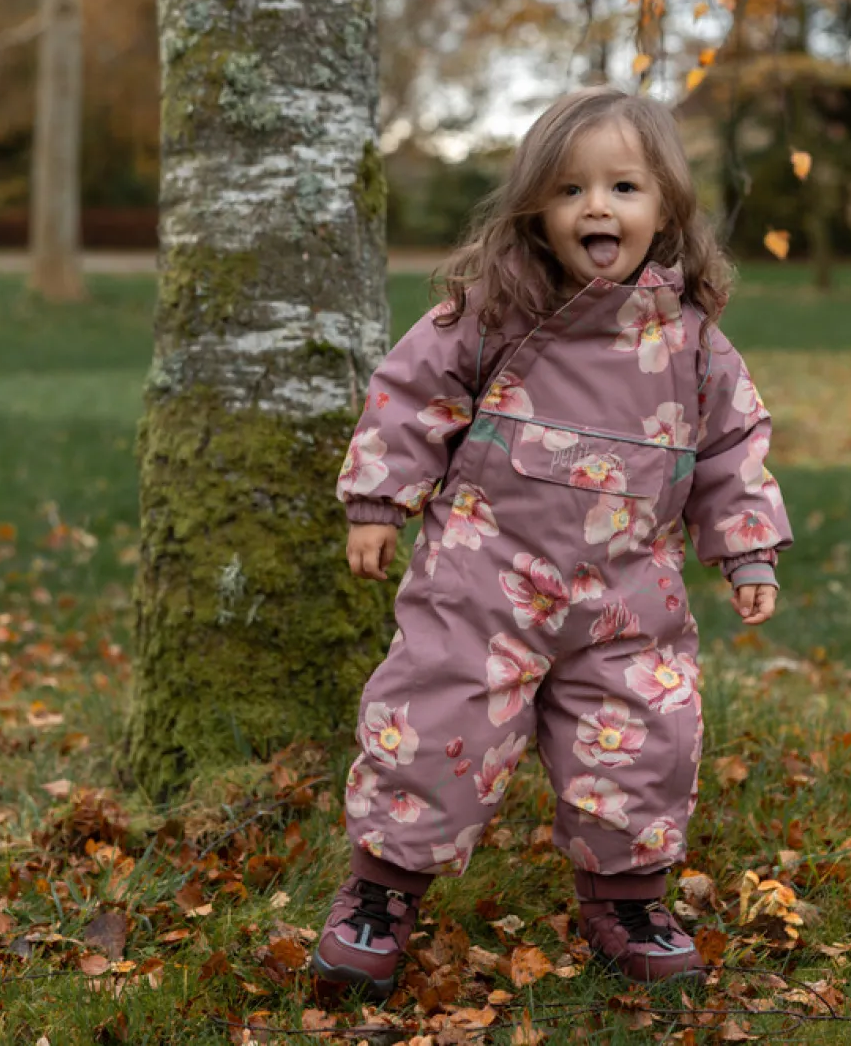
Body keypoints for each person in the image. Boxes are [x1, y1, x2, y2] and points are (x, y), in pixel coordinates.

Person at [311, 87, 792, 998]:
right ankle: (381, 891)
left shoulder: (691, 341)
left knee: (643, 735)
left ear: (666, 208)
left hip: (627, 592)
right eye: (571, 190)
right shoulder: (497, 308)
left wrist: (748, 546)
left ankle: (628, 896)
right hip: (484, 577)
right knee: (435, 720)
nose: (597, 207)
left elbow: (733, 443)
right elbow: (412, 395)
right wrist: (377, 499)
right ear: (537, 207)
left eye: (623, 186)